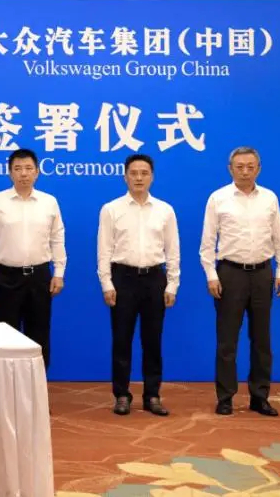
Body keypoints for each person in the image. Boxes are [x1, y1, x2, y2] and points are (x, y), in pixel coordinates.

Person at [200, 146, 280, 417]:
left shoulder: (270, 198)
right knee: (227, 340)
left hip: (262, 273)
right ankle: (225, 397)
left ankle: (260, 397)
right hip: (230, 274)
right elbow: (207, 243)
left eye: (250, 166)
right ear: (230, 169)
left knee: (262, 340)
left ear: (258, 169)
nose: (245, 171)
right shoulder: (218, 198)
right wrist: (211, 275)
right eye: (239, 167)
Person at [97, 154, 179, 416]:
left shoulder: (165, 210)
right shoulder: (111, 209)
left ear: (152, 176)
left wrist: (172, 284)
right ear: (125, 176)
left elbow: (173, 250)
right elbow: (104, 250)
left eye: (144, 173)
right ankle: (122, 394)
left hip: (155, 279)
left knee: (152, 340)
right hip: (123, 279)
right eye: (133, 173)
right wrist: (107, 283)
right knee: (122, 340)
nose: (139, 178)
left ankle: (152, 395)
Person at [0, 148, 66, 370]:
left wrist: (59, 273)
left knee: (39, 335)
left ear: (37, 172)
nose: (23, 173)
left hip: (39, 276)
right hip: (6, 276)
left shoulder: (49, 202)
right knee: (5, 335)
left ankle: (37, 387)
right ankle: (4, 386)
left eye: (28, 168)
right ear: (10, 173)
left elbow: (57, 239)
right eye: (18, 169)